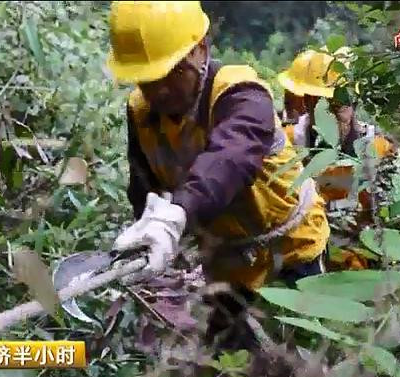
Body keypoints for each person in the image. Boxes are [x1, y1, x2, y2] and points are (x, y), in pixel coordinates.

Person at [106, 1, 329, 352]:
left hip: (291, 252)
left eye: (172, 72)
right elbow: (144, 187)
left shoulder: (242, 94)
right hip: (227, 264)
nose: (159, 90)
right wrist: (147, 235)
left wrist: (178, 212)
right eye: (147, 79)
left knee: (301, 360)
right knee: (230, 363)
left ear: (202, 49)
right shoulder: (141, 112)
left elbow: (230, 158)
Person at [277, 47, 400, 270]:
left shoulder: (380, 150)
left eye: (338, 107)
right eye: (324, 106)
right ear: (309, 103)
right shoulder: (287, 143)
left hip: (358, 270)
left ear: (354, 104)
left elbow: (392, 224)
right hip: (300, 261)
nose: (331, 117)